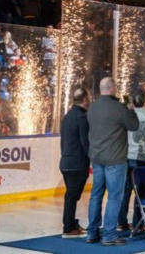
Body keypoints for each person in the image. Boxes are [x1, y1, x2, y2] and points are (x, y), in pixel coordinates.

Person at [86, 77, 139, 246]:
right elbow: (134, 125)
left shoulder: (92, 107)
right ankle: (109, 235)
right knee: (114, 197)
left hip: (97, 157)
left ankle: (92, 232)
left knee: (95, 195)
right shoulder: (119, 108)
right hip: (115, 159)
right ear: (113, 88)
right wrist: (130, 109)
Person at [118, 91, 145, 232]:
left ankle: (121, 222)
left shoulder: (127, 117)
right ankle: (139, 222)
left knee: (125, 191)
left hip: (126, 157)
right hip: (142, 158)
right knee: (141, 192)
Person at [59, 87, 90, 239]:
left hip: (66, 161)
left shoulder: (68, 116)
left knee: (72, 195)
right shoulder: (82, 117)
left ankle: (71, 223)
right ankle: (68, 227)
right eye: (89, 97)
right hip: (77, 163)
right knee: (72, 195)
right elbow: (85, 142)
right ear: (84, 99)